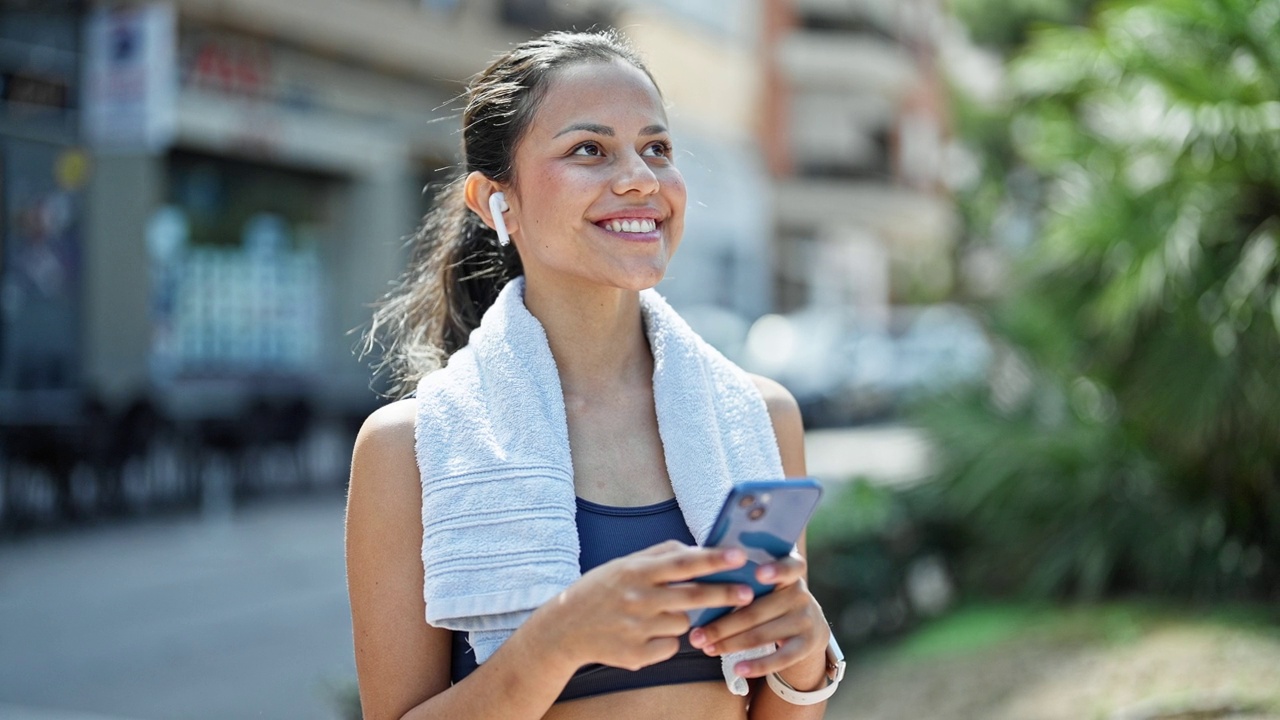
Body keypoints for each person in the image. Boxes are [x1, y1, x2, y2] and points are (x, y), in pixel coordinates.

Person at [346, 30, 840, 720]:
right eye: (589, 150)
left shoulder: (759, 418)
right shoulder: (407, 448)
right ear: (496, 201)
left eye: (657, 149)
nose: (641, 177)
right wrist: (554, 642)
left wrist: (804, 655)